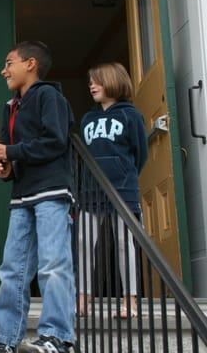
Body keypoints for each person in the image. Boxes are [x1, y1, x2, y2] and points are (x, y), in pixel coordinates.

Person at [0, 41, 75, 353]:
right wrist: (6, 169)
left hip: (52, 191)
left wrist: (11, 151)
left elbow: (55, 140)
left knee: (54, 265)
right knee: (12, 269)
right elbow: (16, 158)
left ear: (31, 64)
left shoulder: (50, 96)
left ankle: (58, 337)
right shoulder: (9, 107)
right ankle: (7, 340)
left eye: (9, 62)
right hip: (22, 195)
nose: (4, 70)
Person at [77, 62, 148, 318]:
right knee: (85, 242)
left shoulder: (131, 115)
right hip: (90, 192)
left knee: (123, 242)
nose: (91, 85)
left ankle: (130, 301)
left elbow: (140, 154)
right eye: (90, 82)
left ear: (113, 81)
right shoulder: (88, 118)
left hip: (122, 190)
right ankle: (83, 298)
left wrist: (123, 175)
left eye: (97, 80)